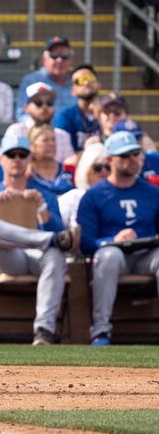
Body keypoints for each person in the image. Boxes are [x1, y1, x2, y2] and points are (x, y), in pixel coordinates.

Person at [0, 134, 77, 345]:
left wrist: (42, 209)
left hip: (37, 257)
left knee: (55, 255)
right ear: (1, 158)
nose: (17, 159)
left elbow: (61, 234)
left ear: (29, 159)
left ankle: (44, 331)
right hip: (6, 258)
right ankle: (44, 239)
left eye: (22, 154)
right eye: (11, 154)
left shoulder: (43, 194)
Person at [77, 131, 159, 346]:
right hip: (114, 255)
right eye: (125, 156)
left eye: (135, 153)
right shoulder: (94, 195)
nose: (132, 160)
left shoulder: (152, 192)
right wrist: (111, 239)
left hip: (146, 255)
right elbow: (85, 243)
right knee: (109, 255)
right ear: (110, 160)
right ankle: (101, 331)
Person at [4, 81, 73, 164]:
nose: (44, 107)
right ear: (26, 107)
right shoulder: (16, 131)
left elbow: (68, 170)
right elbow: (5, 162)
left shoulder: (63, 136)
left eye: (49, 103)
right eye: (38, 103)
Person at [16, 36, 75, 120]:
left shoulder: (76, 83)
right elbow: (21, 114)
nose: (59, 60)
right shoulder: (31, 80)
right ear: (43, 59)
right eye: (54, 55)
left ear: (70, 60)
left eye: (64, 55)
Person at [58, 142, 108, 229]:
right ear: (86, 170)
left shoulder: (117, 196)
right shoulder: (72, 198)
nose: (104, 172)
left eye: (108, 167)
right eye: (97, 167)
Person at [54, 64, 102, 153]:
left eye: (89, 78)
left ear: (99, 85)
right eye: (80, 80)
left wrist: (101, 119)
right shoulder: (65, 117)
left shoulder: (112, 114)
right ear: (72, 91)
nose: (86, 83)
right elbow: (66, 156)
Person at [26, 124, 75, 198]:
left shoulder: (70, 170)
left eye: (53, 140)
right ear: (32, 145)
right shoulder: (26, 175)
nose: (51, 144)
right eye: (45, 140)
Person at [112, 118, 159, 184]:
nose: (136, 142)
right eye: (129, 139)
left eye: (138, 137)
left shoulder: (155, 159)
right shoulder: (107, 166)